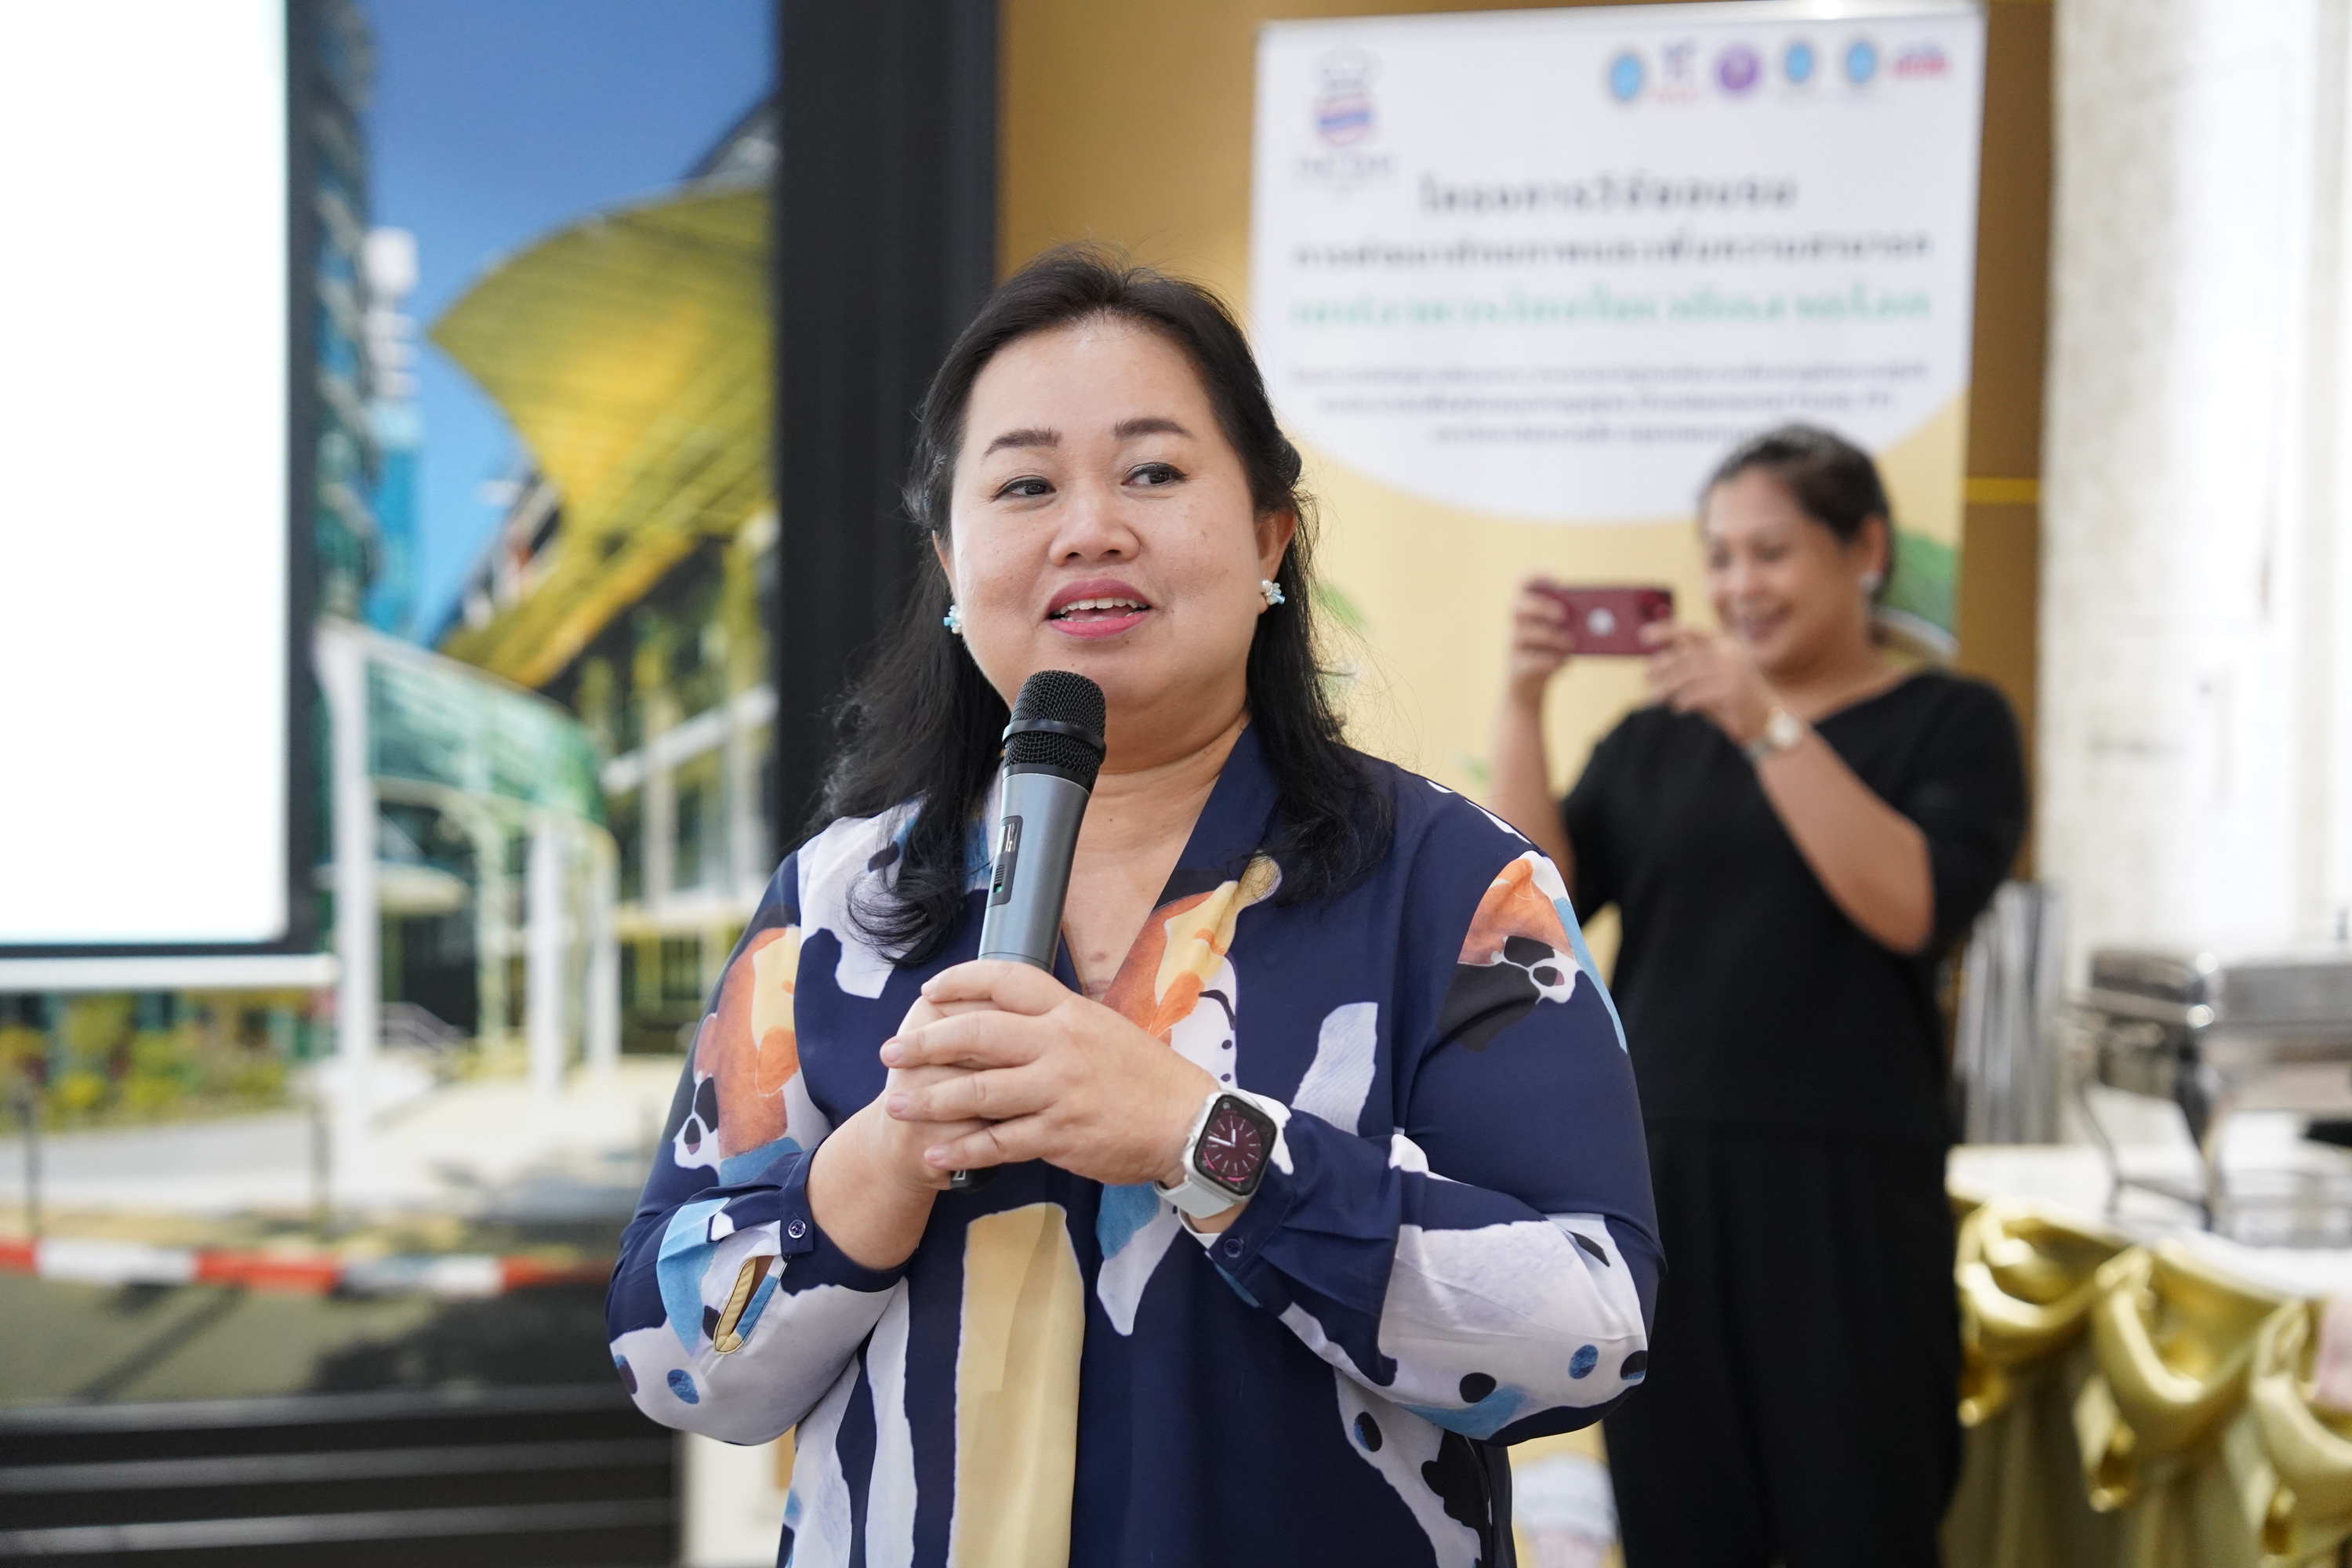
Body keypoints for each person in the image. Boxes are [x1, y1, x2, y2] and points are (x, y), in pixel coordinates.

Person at [608, 248, 1660, 1568]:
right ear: (951, 561)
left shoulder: (1455, 886)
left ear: (1271, 535)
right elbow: (671, 1358)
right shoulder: (837, 899)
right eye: (1025, 485)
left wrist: (1198, 1135)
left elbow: (1589, 1326)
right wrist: (878, 1165)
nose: (1090, 528)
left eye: (1153, 472)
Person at [1488, 425, 2027, 1568]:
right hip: (1663, 1178)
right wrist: (1524, 704)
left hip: (1848, 1191)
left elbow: (1912, 906)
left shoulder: (1953, 723)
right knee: (1680, 1517)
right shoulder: (1659, 736)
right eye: (1721, 556)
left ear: (1864, 550)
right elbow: (1541, 908)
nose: (1740, 587)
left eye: (1771, 553)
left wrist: (1766, 725)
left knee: (1861, 1515)